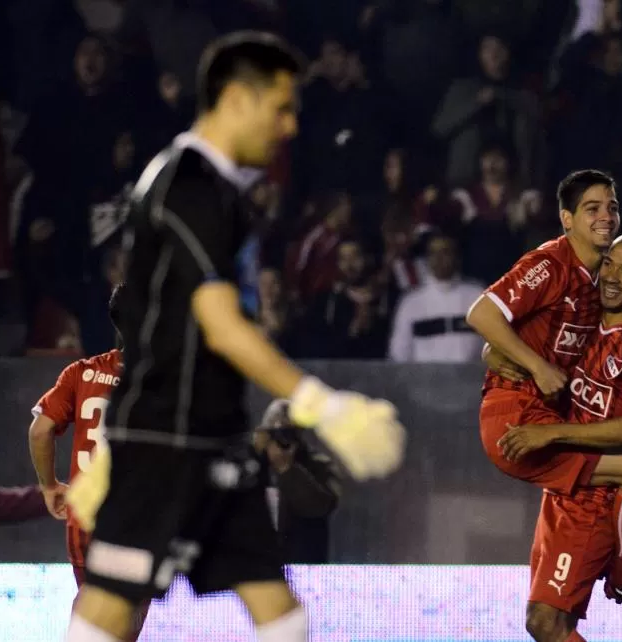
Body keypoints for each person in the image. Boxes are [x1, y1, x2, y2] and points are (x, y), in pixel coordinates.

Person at [63, 31, 405, 642]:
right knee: (110, 617)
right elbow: (220, 325)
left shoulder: (216, 191)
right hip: (167, 441)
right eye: (281, 106)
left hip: (212, 438)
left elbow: (151, 317)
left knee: (284, 620)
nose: (292, 125)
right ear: (236, 100)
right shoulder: (189, 184)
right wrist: (323, 405)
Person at [490, 234, 622, 642]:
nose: (612, 277)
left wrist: (551, 433)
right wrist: (507, 357)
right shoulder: (578, 313)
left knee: (547, 622)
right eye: (610, 263)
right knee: (544, 622)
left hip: (596, 493)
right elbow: (495, 348)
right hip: (563, 485)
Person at [466, 169, 622, 500]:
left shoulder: (603, 274)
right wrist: (538, 367)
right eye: (593, 209)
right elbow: (481, 313)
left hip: (552, 413)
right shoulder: (549, 264)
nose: (607, 217)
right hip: (517, 419)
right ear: (567, 219)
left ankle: (581, 553)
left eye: (613, 207)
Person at [28, 284, 150, 642]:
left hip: (84, 518)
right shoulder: (167, 382)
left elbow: (40, 431)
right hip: (136, 519)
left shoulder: (82, 373)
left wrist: (49, 485)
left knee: (97, 600)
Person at [254, 399, 341, 563]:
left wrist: (287, 470)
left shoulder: (318, 466)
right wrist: (255, 454)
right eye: (275, 434)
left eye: (289, 433)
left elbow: (320, 506)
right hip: (255, 570)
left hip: (302, 572)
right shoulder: (251, 467)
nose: (282, 440)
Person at [388, 232, 485, 363]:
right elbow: (399, 354)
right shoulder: (411, 302)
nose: (439, 259)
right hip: (424, 381)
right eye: (433, 253)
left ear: (457, 257)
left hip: (470, 381)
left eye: (445, 252)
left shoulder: (478, 296)